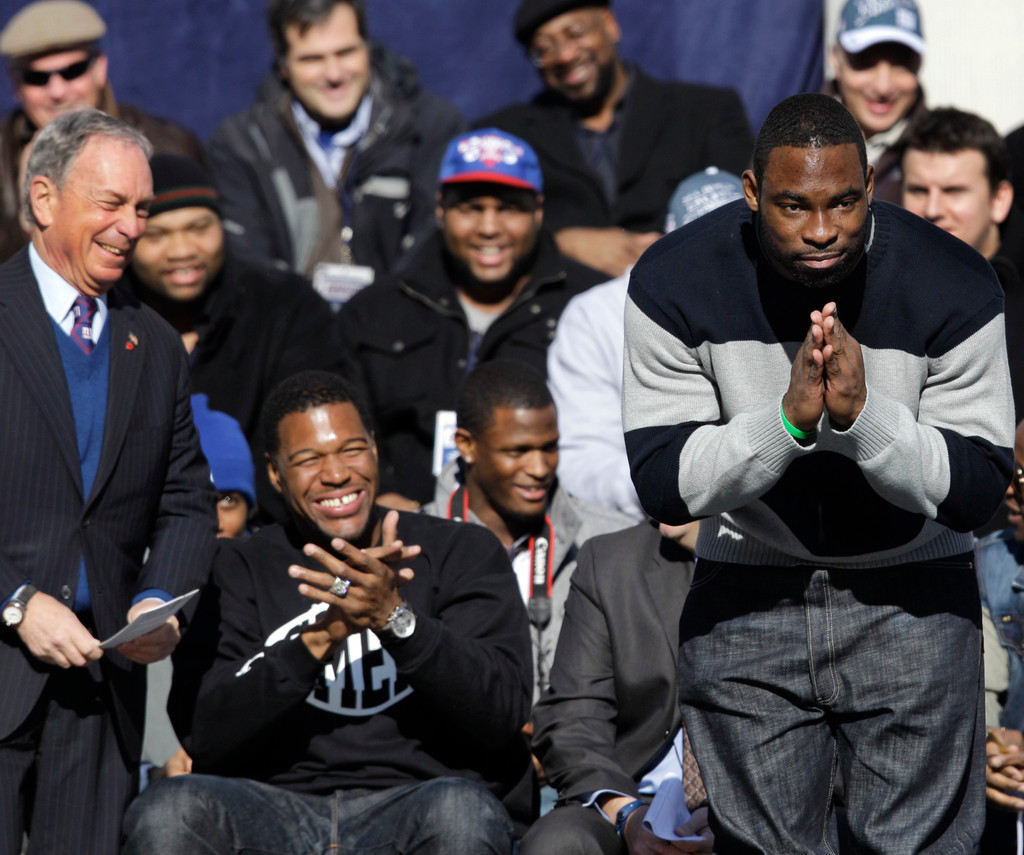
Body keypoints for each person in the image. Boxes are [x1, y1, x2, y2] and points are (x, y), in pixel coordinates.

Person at [622, 92, 1014, 852]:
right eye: (793, 205)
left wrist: (865, 417)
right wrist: (787, 425)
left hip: (915, 593)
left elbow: (975, 488)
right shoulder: (674, 279)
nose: (823, 230)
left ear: (871, 186)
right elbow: (664, 481)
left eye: (843, 202)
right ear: (751, 192)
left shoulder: (955, 282)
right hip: (747, 590)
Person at [122, 370, 534, 853]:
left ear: (375, 448)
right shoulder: (234, 567)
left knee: (461, 813)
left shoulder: (460, 550)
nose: (337, 474)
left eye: (351, 450)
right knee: (168, 811)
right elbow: (204, 734)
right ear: (275, 473)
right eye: (309, 459)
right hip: (272, 808)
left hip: (420, 802)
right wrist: (321, 636)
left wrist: (396, 620)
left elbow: (502, 713)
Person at [0, 108, 217, 855]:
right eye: (111, 203)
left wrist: (159, 599)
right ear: (44, 198)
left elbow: (186, 498)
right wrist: (16, 600)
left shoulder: (153, 343)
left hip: (100, 691)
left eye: (142, 208)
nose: (131, 227)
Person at [338, 127, 605, 506]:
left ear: (538, 211)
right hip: (408, 524)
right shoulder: (373, 313)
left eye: (509, 208)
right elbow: (344, 430)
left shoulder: (591, 307)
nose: (489, 228)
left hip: (553, 522)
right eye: (471, 209)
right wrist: (380, 497)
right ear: (440, 209)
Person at [119, 152, 348, 521]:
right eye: (156, 235)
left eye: (199, 228)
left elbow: (307, 436)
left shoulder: (285, 307)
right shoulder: (105, 314)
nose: (182, 251)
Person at [480, 0, 752, 277]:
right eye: (544, 49)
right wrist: (562, 242)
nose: (565, 55)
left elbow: (740, 212)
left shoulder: (707, 111)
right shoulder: (507, 135)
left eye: (575, 33)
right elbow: (482, 224)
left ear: (609, 24)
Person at [206, 0, 464, 284]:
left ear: (368, 49)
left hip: (400, 309)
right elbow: (248, 263)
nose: (334, 75)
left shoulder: (430, 128)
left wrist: (375, 307)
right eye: (312, 59)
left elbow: (433, 246)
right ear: (283, 67)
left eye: (346, 52)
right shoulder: (242, 144)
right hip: (287, 312)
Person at [422, 359, 632, 701]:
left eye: (549, 447)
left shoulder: (612, 542)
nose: (539, 468)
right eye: (518, 451)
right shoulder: (411, 546)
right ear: (466, 445)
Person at [548, 167, 743, 520]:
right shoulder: (597, 314)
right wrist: (678, 494)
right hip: (646, 522)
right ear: (667, 247)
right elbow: (583, 462)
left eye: (735, 251)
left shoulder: (786, 301)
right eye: (700, 251)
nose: (717, 269)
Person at [518, 520, 711, 855]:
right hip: (632, 796)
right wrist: (627, 813)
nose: (664, 493)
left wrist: (734, 817)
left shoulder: (794, 553)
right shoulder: (612, 559)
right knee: (559, 843)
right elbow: (573, 718)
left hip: (760, 801)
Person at [0, 0, 204, 263]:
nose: (58, 92)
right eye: (37, 78)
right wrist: (28, 218)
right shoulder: (4, 154)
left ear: (100, 68)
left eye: (73, 71)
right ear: (15, 83)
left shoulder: (167, 145)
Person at [898, 107, 1024, 433]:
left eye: (954, 191)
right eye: (918, 190)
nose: (933, 210)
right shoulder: (875, 283)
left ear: (999, 199)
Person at [976, 417, 1024, 854]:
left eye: (1022, 475)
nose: (1010, 489)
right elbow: (983, 693)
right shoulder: (992, 563)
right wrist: (991, 747)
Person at [825, 0, 926, 203]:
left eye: (902, 62)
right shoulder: (786, 140)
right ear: (835, 58)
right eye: (864, 61)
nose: (883, 87)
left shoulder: (943, 151)